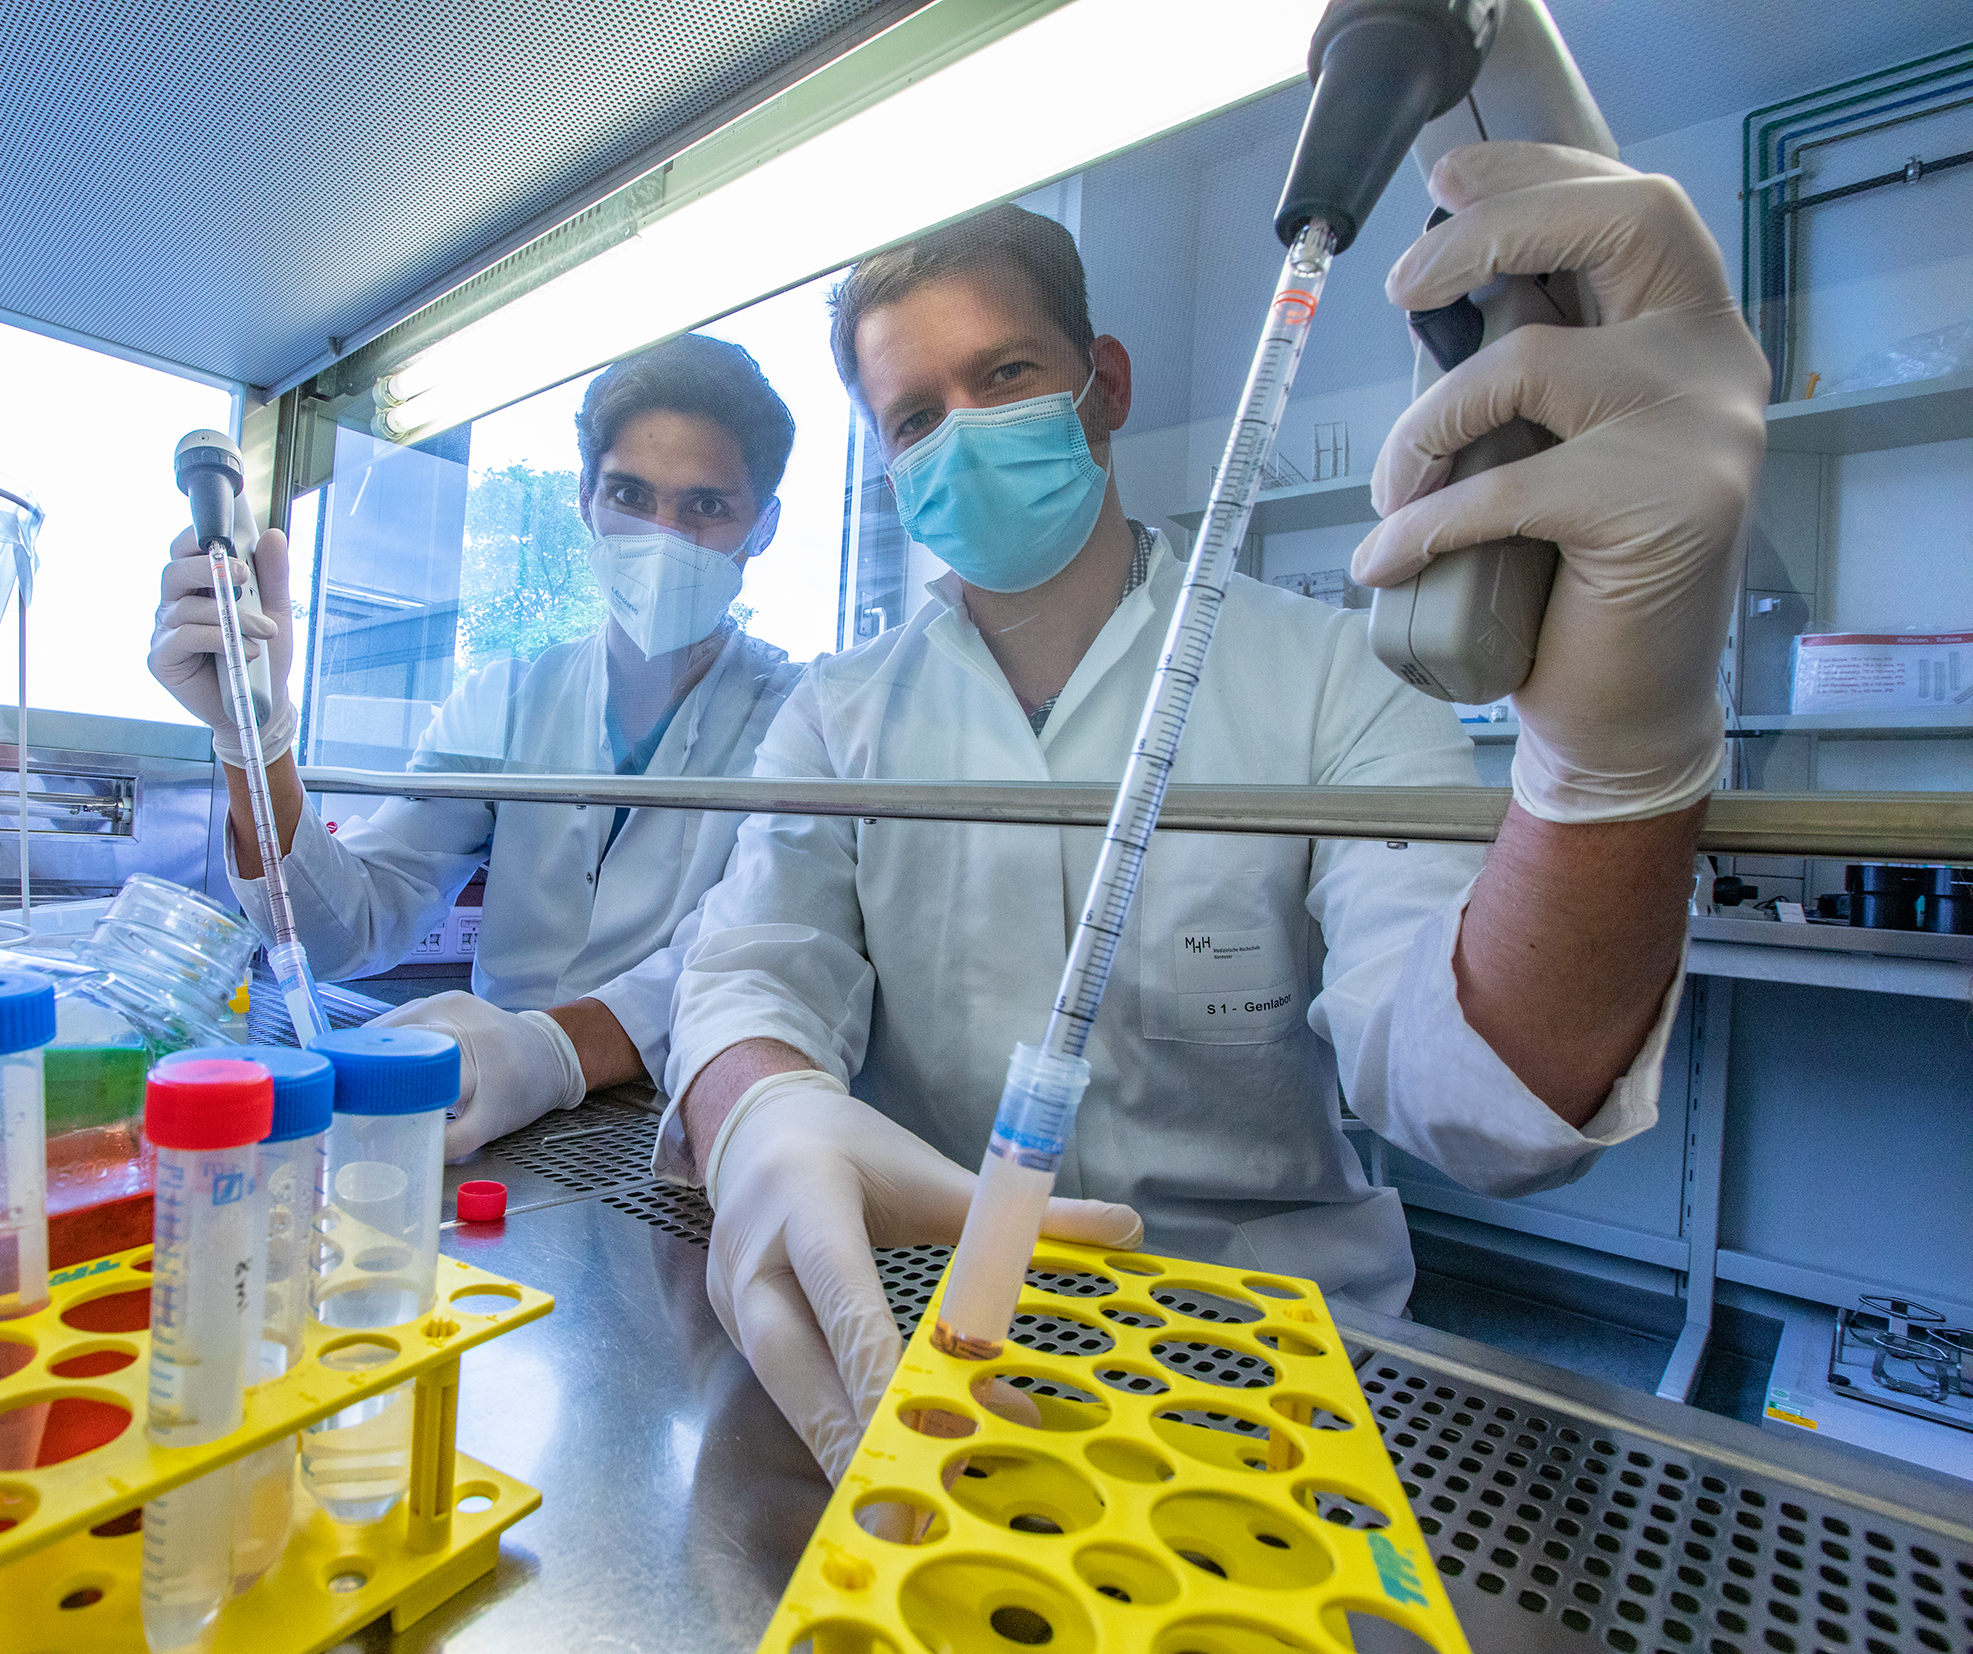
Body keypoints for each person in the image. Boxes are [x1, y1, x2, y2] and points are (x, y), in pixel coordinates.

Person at [661, 145, 1769, 1478]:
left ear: (1103, 385)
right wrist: (766, 1109)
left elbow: (1484, 1097)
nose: (961, 434)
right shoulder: (837, 715)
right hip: (931, 1338)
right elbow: (748, 975)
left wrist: (1613, 759)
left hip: (1261, 1376)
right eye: (913, 418)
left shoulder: (1331, 678)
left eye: (1004, 375)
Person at [148, 334, 804, 1155]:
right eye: (631, 496)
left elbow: (749, 961)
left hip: (683, 1125)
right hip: (492, 1119)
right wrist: (254, 733)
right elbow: (347, 927)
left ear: (763, 528)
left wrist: (548, 1050)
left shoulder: (800, 721)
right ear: (585, 501)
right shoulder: (505, 701)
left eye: (705, 507)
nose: (662, 536)